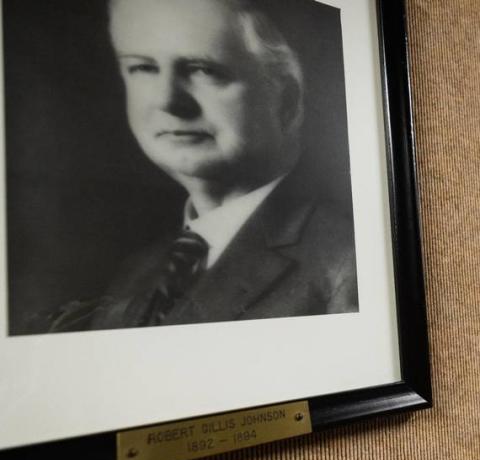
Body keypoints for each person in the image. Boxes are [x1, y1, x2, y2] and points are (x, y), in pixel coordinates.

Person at [54, 0, 357, 331]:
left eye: (202, 69)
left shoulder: (346, 264)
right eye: (143, 68)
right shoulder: (140, 270)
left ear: (286, 98)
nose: (167, 101)